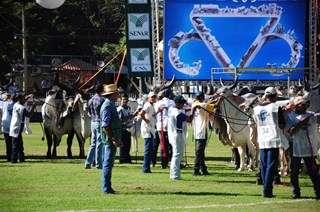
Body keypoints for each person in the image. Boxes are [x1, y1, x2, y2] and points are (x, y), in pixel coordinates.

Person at [285, 96, 320, 199]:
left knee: (313, 172)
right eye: (301, 104)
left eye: (305, 104)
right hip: (296, 148)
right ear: (295, 106)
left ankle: (318, 192)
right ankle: (296, 192)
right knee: (294, 172)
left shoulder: (312, 115)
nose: (304, 106)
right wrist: (301, 123)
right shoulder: (290, 116)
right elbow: (291, 132)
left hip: (310, 149)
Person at [252, 87, 283, 198]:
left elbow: (255, 122)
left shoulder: (256, 109)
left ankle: (265, 188)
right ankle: (267, 190)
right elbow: (282, 123)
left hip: (262, 138)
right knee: (271, 165)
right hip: (273, 138)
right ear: (275, 96)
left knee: (264, 165)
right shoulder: (275, 107)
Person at [100, 83, 122, 194]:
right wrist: (113, 138)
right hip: (110, 139)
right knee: (108, 163)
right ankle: (106, 188)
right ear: (112, 94)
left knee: (109, 163)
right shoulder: (108, 106)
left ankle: (107, 187)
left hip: (112, 138)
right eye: (116, 92)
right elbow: (105, 125)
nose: (118, 94)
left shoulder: (110, 104)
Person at [168, 95, 193, 180]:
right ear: (177, 103)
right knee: (177, 155)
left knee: (177, 155)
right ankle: (175, 175)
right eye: (182, 103)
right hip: (177, 134)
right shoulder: (176, 111)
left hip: (174, 134)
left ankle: (175, 174)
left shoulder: (171, 109)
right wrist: (193, 112)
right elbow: (186, 118)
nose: (183, 104)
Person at [152, 89, 174, 168]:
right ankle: (168, 162)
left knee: (160, 145)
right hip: (169, 126)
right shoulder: (172, 102)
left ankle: (158, 162)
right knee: (169, 145)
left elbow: (154, 114)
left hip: (159, 126)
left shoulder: (157, 103)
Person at [84, 84, 105, 169]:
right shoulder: (101, 100)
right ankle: (98, 163)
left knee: (93, 144)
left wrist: (91, 116)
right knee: (100, 143)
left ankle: (88, 162)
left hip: (93, 122)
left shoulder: (91, 99)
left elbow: (87, 110)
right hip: (99, 122)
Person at [117, 93, 139, 163]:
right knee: (122, 145)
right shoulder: (119, 109)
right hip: (122, 129)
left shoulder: (129, 108)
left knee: (128, 144)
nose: (124, 101)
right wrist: (132, 116)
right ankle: (122, 159)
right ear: (121, 100)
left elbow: (130, 117)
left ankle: (127, 158)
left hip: (129, 128)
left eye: (126, 100)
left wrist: (133, 118)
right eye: (123, 100)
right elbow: (121, 119)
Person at [192, 92, 210, 176]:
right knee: (199, 152)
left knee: (200, 151)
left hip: (197, 132)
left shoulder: (194, 103)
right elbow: (214, 106)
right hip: (202, 131)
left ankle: (203, 169)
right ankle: (196, 169)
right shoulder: (203, 105)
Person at [140, 91, 157, 173]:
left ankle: (147, 167)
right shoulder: (147, 105)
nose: (154, 98)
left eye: (154, 97)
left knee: (150, 149)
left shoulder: (152, 105)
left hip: (151, 128)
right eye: (152, 97)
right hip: (147, 129)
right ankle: (145, 167)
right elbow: (141, 113)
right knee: (148, 149)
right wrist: (145, 120)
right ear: (149, 98)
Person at [9, 93, 27, 163]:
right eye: (23, 98)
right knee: (16, 145)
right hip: (17, 128)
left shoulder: (15, 104)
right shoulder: (22, 108)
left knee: (19, 144)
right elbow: (28, 115)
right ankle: (14, 159)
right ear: (19, 99)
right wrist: (33, 106)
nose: (24, 100)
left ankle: (21, 158)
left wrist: (26, 100)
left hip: (14, 127)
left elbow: (21, 103)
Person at [1, 92, 14, 161]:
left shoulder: (3, 103)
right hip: (9, 123)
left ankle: (8, 156)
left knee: (8, 142)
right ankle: (11, 156)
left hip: (5, 122)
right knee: (11, 141)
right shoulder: (11, 103)